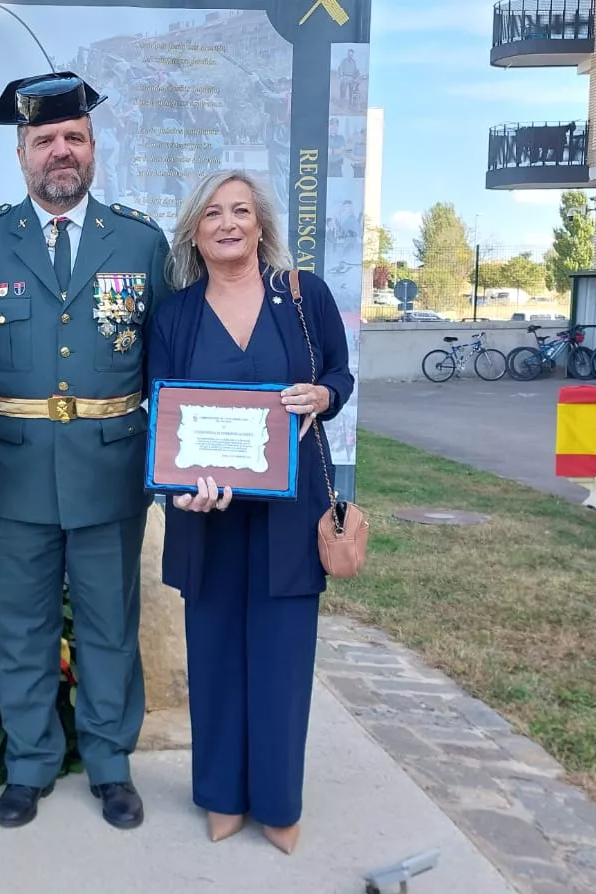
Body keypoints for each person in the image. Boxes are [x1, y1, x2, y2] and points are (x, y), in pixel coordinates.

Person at [0, 72, 171, 831]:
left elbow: (162, 364)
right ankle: (32, 763)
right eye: (45, 139)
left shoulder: (141, 242)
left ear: (94, 148)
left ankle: (110, 763)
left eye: (73, 136)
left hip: (110, 465)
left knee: (109, 624)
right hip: (15, 468)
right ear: (22, 154)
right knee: (21, 628)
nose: (60, 151)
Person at [145, 170, 354, 854]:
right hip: (207, 515)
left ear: (261, 224)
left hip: (290, 514)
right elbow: (160, 410)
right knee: (213, 656)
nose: (228, 222)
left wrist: (322, 397)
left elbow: (340, 375)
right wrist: (175, 485)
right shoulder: (174, 314)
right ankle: (221, 796)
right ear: (195, 233)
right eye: (212, 213)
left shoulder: (302, 297)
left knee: (282, 660)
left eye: (240, 211)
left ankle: (278, 802)